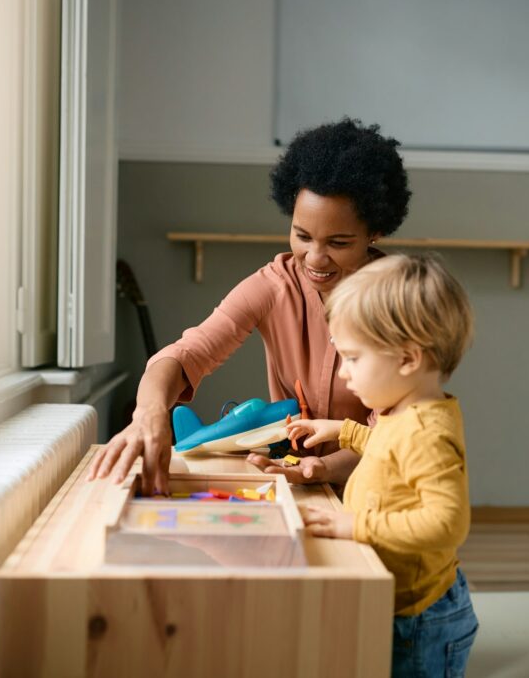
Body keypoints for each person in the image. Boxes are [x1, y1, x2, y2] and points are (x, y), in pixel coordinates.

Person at [88, 118, 411, 495]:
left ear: (374, 233)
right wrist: (148, 414)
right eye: (302, 236)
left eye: (338, 243)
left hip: (377, 488)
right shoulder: (273, 285)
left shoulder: (399, 302)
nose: (315, 258)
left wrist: (318, 468)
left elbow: (390, 433)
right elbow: (189, 352)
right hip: (302, 481)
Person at [287, 254, 478, 678]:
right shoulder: (405, 413)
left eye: (353, 359)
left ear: (408, 359)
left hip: (420, 618)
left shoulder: (427, 431)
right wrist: (345, 431)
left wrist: (356, 526)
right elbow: (392, 454)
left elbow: (448, 523)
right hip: (396, 600)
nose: (343, 376)